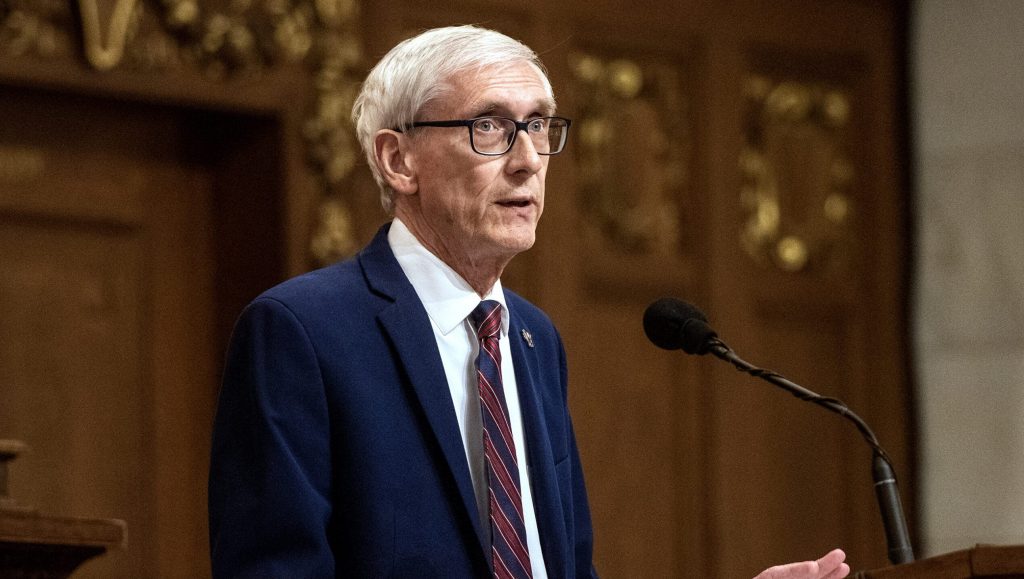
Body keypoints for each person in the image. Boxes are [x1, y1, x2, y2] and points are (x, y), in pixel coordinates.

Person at [208, 25, 850, 579]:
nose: (527, 161)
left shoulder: (531, 339)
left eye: (538, 126)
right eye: (489, 126)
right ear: (398, 159)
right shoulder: (303, 330)